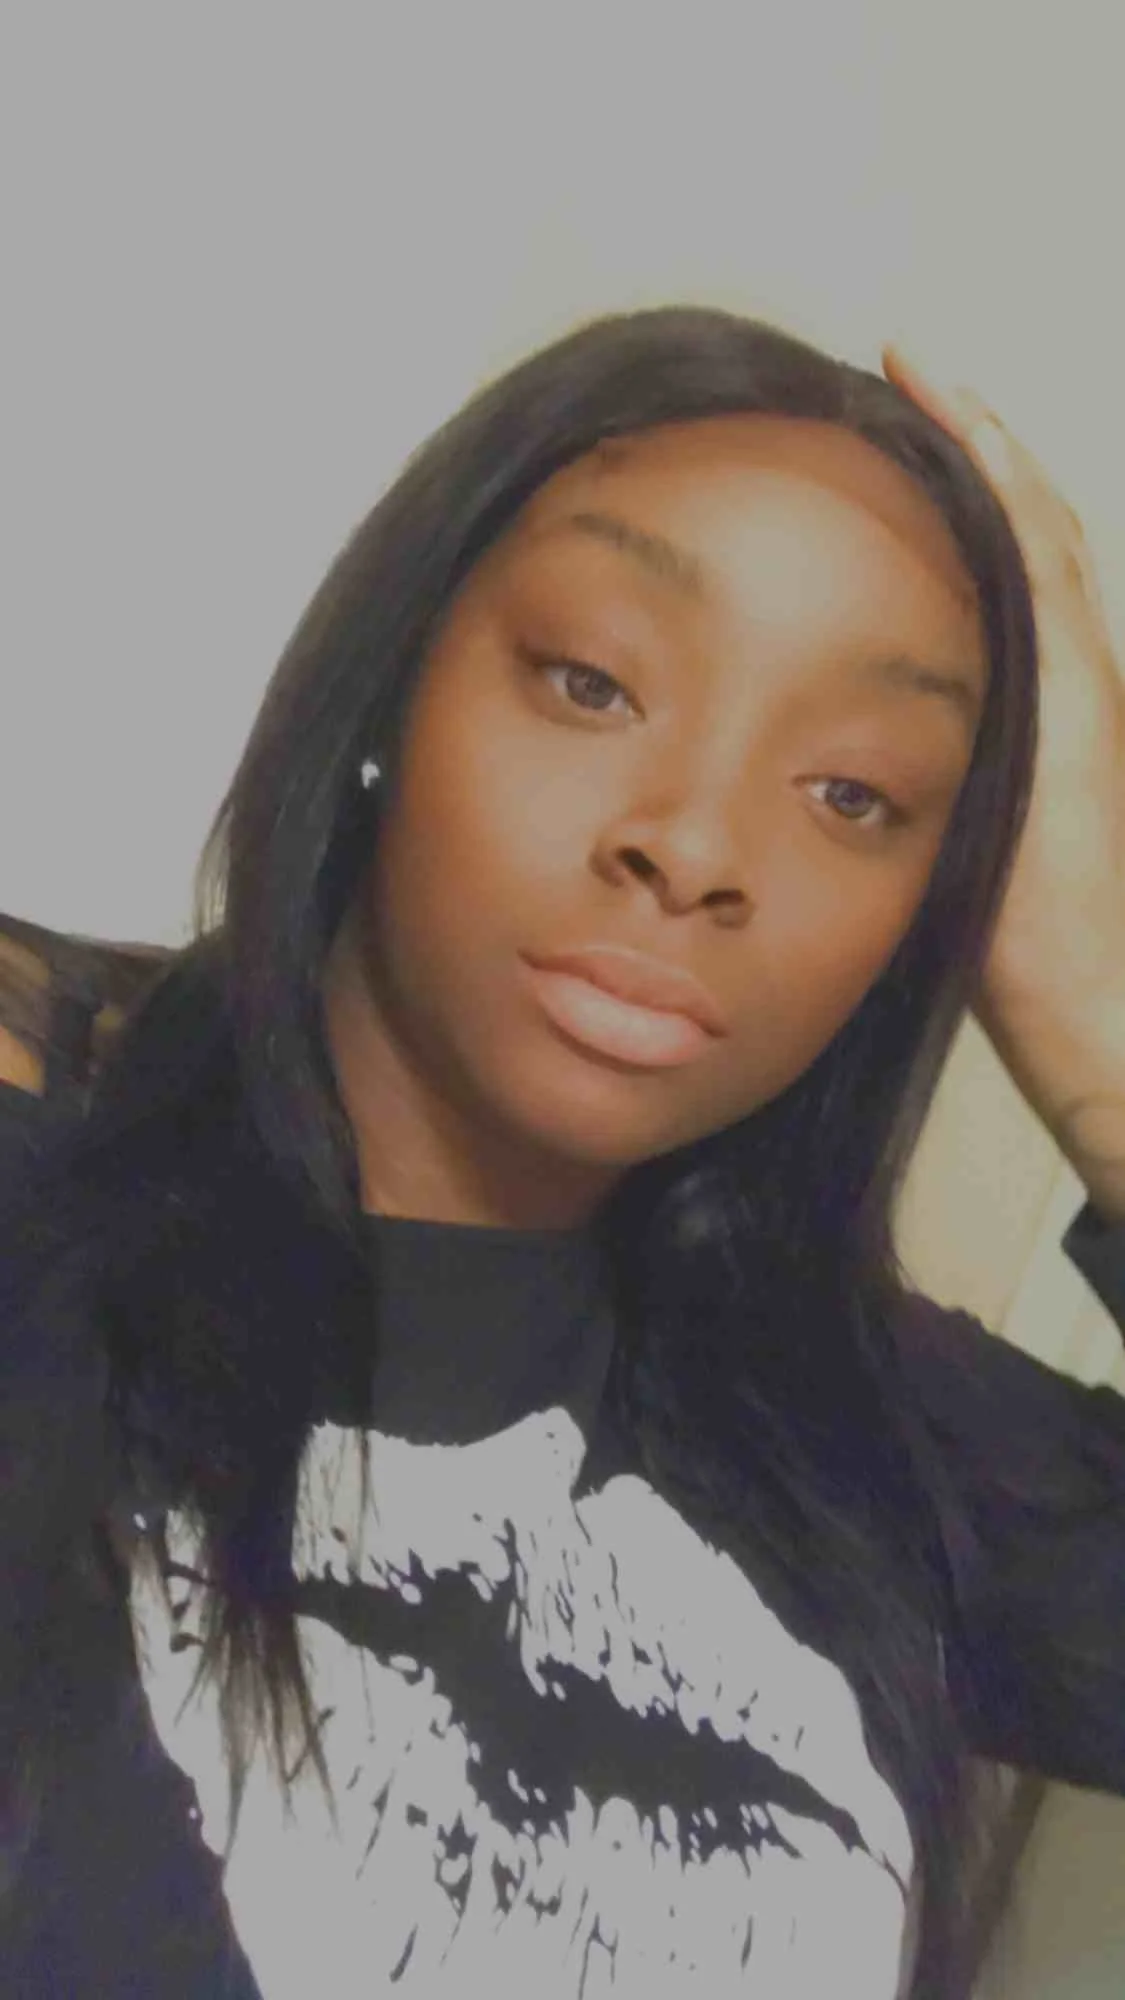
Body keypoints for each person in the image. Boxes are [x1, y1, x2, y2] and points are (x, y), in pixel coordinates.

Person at [1, 305, 1123, 2000]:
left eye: (856, 794)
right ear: (395, 675)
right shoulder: (44, 1144)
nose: (697, 843)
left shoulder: (868, 1438)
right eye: (592, 682)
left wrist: (1099, 1009)